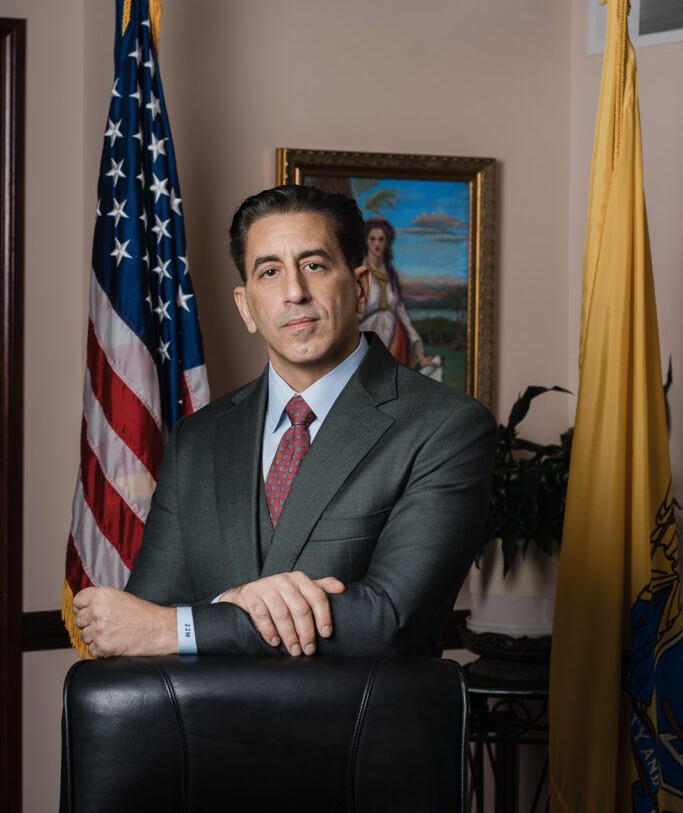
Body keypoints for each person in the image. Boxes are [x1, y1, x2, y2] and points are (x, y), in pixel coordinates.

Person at [73, 185, 495, 660]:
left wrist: (193, 625)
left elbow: (389, 620)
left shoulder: (445, 427)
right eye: (269, 272)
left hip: (355, 731)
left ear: (359, 288)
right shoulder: (198, 438)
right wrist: (218, 611)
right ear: (246, 305)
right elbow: (146, 618)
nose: (294, 292)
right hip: (207, 730)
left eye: (314, 265)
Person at [360, 216, 439, 373]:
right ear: (367, 241)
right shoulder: (359, 273)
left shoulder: (392, 276)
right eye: (373, 239)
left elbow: (402, 315)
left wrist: (419, 355)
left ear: (386, 243)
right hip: (366, 340)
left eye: (381, 240)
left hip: (395, 336)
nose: (377, 244)